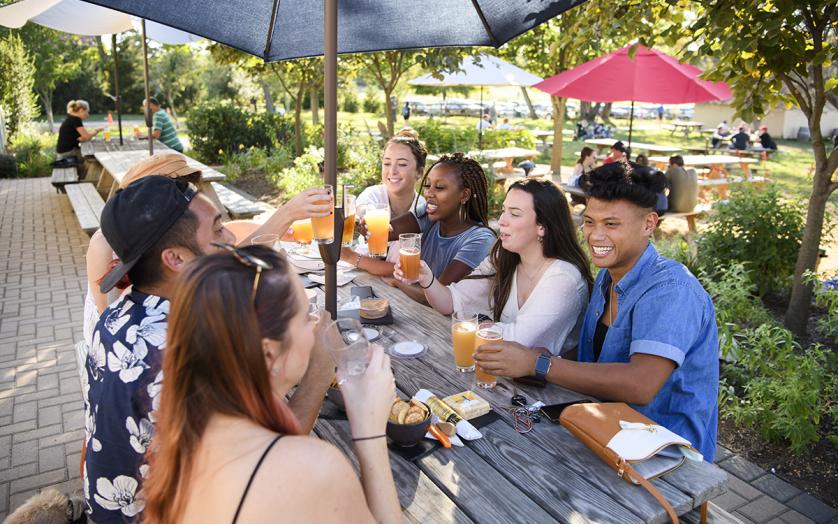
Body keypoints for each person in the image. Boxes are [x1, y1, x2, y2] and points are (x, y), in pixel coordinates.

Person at [83, 177, 335, 522]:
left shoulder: (117, 314)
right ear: (175, 258)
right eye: (218, 230)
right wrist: (319, 375)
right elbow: (270, 457)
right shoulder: (188, 350)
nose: (231, 238)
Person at [473, 161, 719, 461]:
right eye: (589, 222)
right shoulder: (607, 277)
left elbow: (640, 384)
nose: (595, 235)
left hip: (665, 457)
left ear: (648, 224)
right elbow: (601, 356)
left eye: (611, 224)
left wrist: (539, 365)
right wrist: (547, 361)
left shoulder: (671, 290)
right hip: (603, 431)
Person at [142, 246, 401, 523]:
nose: (316, 326)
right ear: (268, 354)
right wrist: (369, 432)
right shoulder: (314, 470)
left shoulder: (183, 442)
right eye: (306, 318)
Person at [397, 179, 592, 356]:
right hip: (500, 375)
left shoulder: (563, 278)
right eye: (503, 211)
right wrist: (427, 279)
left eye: (514, 214)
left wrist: (480, 324)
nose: (501, 221)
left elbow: (519, 341)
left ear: (542, 226)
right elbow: (451, 302)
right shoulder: (504, 256)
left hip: (553, 392)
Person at [357, 153, 496, 304]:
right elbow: (386, 231)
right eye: (428, 185)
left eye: (440, 187)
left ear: (464, 195)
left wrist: (397, 281)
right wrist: (365, 226)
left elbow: (438, 295)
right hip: (415, 309)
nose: (429, 193)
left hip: (447, 322)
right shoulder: (430, 214)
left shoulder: (480, 239)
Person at [341, 130, 427, 272]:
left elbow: (405, 270)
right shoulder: (374, 193)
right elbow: (364, 208)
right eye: (387, 163)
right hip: (360, 277)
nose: (392, 171)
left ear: (419, 172)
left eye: (402, 164)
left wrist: (351, 257)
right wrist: (364, 218)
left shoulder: (423, 210)